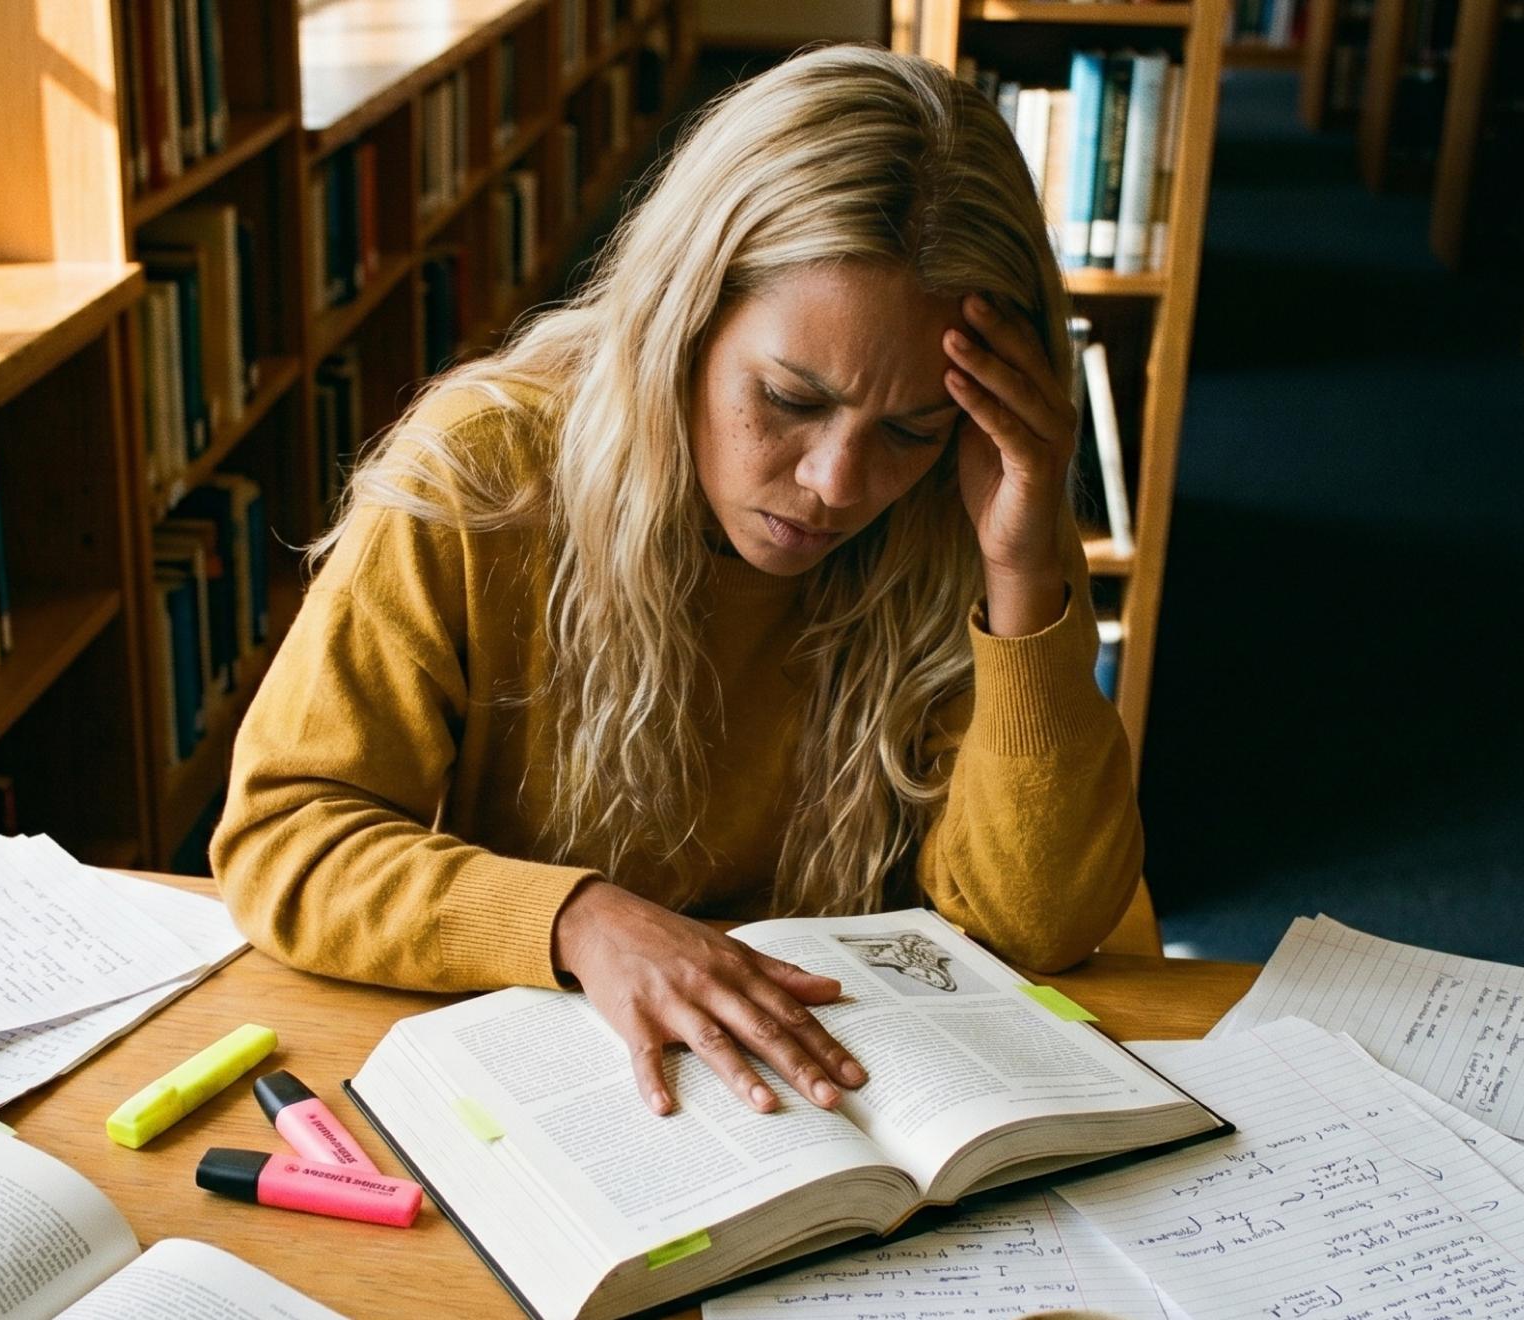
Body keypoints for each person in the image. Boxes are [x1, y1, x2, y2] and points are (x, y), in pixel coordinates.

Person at [211, 44, 1143, 1118]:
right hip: (570, 1077)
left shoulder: (959, 517)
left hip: (845, 1092)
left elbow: (1041, 926)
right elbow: (288, 834)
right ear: (680, 320)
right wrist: (578, 919)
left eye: (909, 429)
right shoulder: (486, 473)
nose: (836, 485)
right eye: (790, 399)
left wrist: (1025, 572)